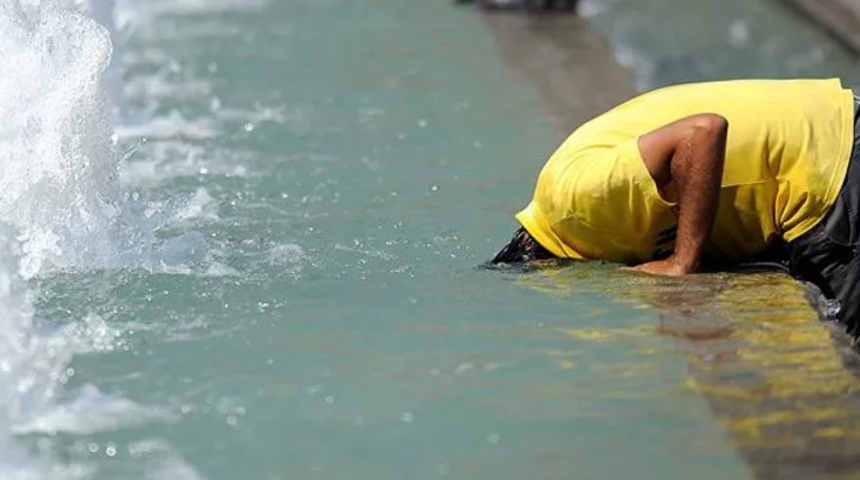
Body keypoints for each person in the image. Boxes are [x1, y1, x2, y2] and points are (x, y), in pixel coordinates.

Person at [491, 78, 860, 342]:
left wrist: (682, 261)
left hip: (825, 164)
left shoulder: (574, 204)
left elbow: (703, 132)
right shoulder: (575, 210)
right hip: (821, 140)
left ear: (543, 266)